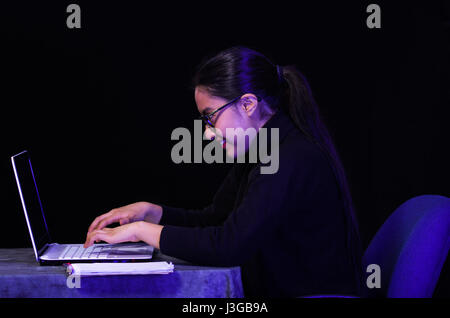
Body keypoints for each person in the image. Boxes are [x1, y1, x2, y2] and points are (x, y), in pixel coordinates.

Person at [84, 46, 363, 297]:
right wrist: (153, 212)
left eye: (211, 116)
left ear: (248, 104)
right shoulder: (263, 149)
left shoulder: (289, 157)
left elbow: (230, 246)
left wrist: (143, 232)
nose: (206, 133)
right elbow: (217, 219)